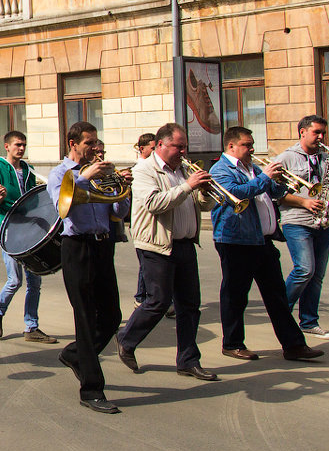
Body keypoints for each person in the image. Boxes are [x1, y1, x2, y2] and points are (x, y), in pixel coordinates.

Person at [210, 127, 325, 362]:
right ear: (231, 146)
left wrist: (287, 182)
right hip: (236, 242)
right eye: (247, 144)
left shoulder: (252, 167)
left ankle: (293, 346)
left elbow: (275, 193)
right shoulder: (221, 169)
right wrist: (265, 178)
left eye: (252, 144)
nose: (252, 149)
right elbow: (235, 194)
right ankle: (232, 343)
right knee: (235, 296)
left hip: (262, 241)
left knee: (277, 296)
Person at [116, 123, 219, 382]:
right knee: (158, 302)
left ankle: (188, 360)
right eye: (178, 146)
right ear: (161, 145)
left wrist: (204, 193)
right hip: (156, 245)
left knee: (190, 306)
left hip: (184, 244)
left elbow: (201, 205)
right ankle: (126, 339)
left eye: (185, 146)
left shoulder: (182, 170)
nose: (183, 151)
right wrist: (188, 187)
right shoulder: (143, 171)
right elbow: (154, 204)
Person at [45, 122, 130, 413]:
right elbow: (60, 205)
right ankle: (91, 390)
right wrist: (83, 176)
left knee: (112, 315)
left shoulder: (100, 170)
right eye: (89, 142)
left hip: (103, 245)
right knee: (84, 317)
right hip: (77, 246)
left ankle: (74, 354)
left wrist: (123, 189)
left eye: (96, 142)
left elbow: (118, 211)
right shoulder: (60, 173)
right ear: (73, 143)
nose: (95, 147)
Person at [276, 115, 329, 341]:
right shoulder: (286, 158)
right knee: (304, 269)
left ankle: (309, 322)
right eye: (317, 132)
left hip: (322, 222)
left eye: (323, 133)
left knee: (317, 276)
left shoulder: (327, 158)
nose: (321, 137)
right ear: (302, 132)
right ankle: (279, 311)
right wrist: (304, 201)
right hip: (296, 221)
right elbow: (275, 194)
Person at [0, 130, 54, 343]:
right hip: (10, 230)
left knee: (35, 282)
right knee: (15, 280)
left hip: (31, 231)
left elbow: (33, 196)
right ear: (7, 146)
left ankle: (31, 327)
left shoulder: (28, 169)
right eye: (18, 144)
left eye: (24, 144)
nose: (21, 148)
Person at [132, 132, 159, 309]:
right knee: (146, 266)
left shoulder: (155, 167)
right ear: (142, 149)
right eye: (153, 148)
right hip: (145, 224)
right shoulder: (140, 169)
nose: (156, 151)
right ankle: (141, 298)